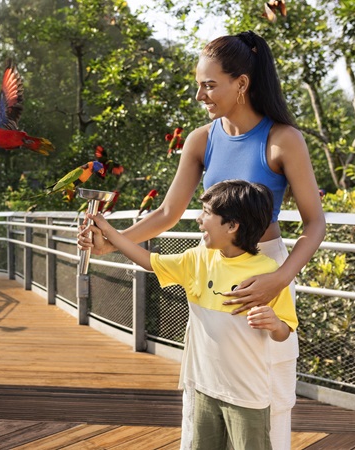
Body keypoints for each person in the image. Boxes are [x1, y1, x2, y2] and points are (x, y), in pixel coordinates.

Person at [78, 30, 326, 449]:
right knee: (208, 385)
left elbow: (314, 224)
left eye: (209, 85)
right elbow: (167, 213)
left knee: (263, 394)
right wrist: (110, 240)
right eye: (199, 84)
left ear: (242, 84)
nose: (200, 95)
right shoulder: (201, 139)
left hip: (264, 272)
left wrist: (279, 278)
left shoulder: (283, 139)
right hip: (213, 269)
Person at [89, 180, 298, 450]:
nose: (199, 220)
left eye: (207, 213)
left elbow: (284, 331)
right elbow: (149, 260)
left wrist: (274, 323)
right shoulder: (198, 259)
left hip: (247, 395)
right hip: (204, 388)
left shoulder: (269, 272)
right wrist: (108, 232)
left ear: (232, 226)